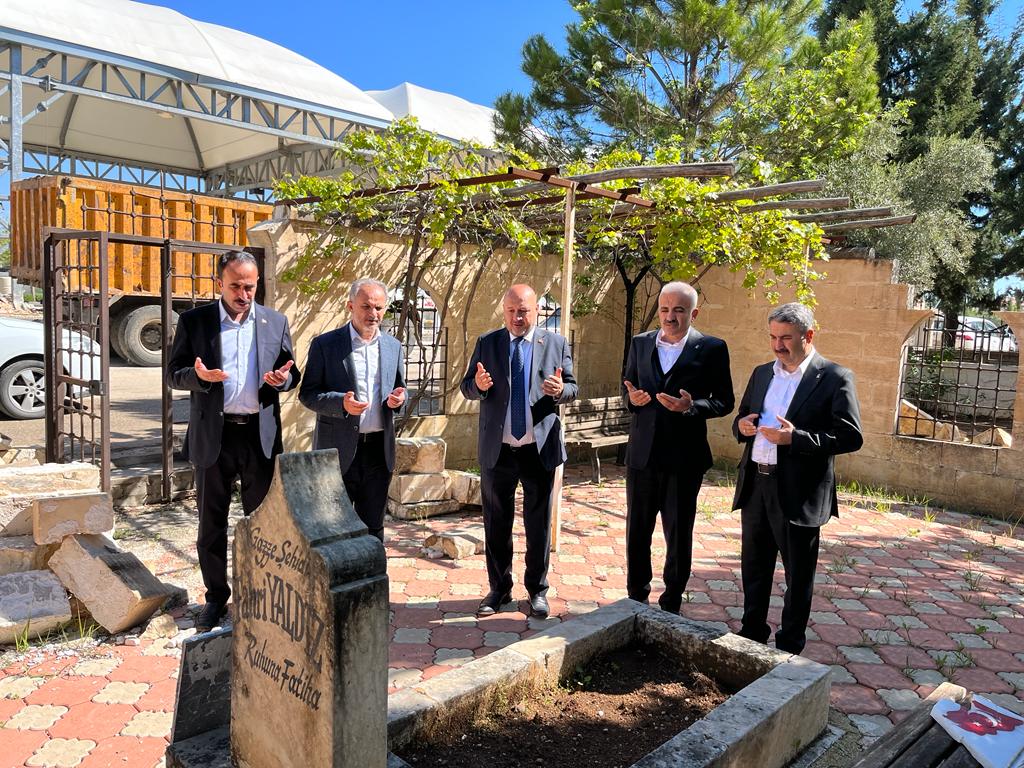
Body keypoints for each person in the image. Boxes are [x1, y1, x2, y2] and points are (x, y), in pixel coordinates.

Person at [166, 250, 301, 632]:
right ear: (219, 284)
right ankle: (215, 599)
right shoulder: (195, 322)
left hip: (260, 437)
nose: (244, 294)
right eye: (236, 286)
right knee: (212, 525)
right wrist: (200, 379)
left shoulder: (275, 321)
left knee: (262, 525)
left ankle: (259, 593)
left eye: (251, 286)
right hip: (215, 437)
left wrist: (283, 381)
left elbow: (293, 373)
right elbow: (174, 374)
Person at [732, 302, 863, 655]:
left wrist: (797, 438)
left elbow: (851, 436)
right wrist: (742, 427)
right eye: (773, 337)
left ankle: (789, 646)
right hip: (757, 485)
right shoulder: (763, 373)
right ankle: (751, 633)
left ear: (808, 336)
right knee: (755, 568)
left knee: (797, 576)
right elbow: (743, 418)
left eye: (785, 338)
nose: (777, 345)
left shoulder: (834, 377)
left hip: (798, 493)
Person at [460, 284, 577, 618]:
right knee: (496, 523)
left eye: (523, 311)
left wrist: (560, 391)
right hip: (498, 450)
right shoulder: (488, 343)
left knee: (537, 525)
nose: (517, 317)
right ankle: (499, 589)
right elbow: (467, 386)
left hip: (538, 449)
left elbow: (572, 386)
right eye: (511, 311)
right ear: (504, 311)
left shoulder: (555, 343)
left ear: (537, 310)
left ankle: (537, 591)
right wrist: (478, 387)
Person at [622, 281, 734, 613]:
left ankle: (671, 601)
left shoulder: (712, 348)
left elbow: (724, 401)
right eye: (665, 309)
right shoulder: (640, 343)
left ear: (693, 313)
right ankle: (635, 596)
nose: (670, 317)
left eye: (679, 310)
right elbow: (626, 387)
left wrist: (691, 406)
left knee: (678, 532)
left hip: (684, 459)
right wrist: (633, 398)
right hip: (642, 455)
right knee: (637, 530)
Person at [298, 278, 406, 541]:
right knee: (334, 528)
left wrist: (399, 400)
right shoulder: (326, 345)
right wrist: (340, 403)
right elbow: (308, 394)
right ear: (350, 306)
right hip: (337, 450)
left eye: (379, 308)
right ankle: (337, 581)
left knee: (373, 528)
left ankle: (372, 580)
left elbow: (401, 389)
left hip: (379, 452)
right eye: (366, 307)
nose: (374, 314)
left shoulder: (393, 346)